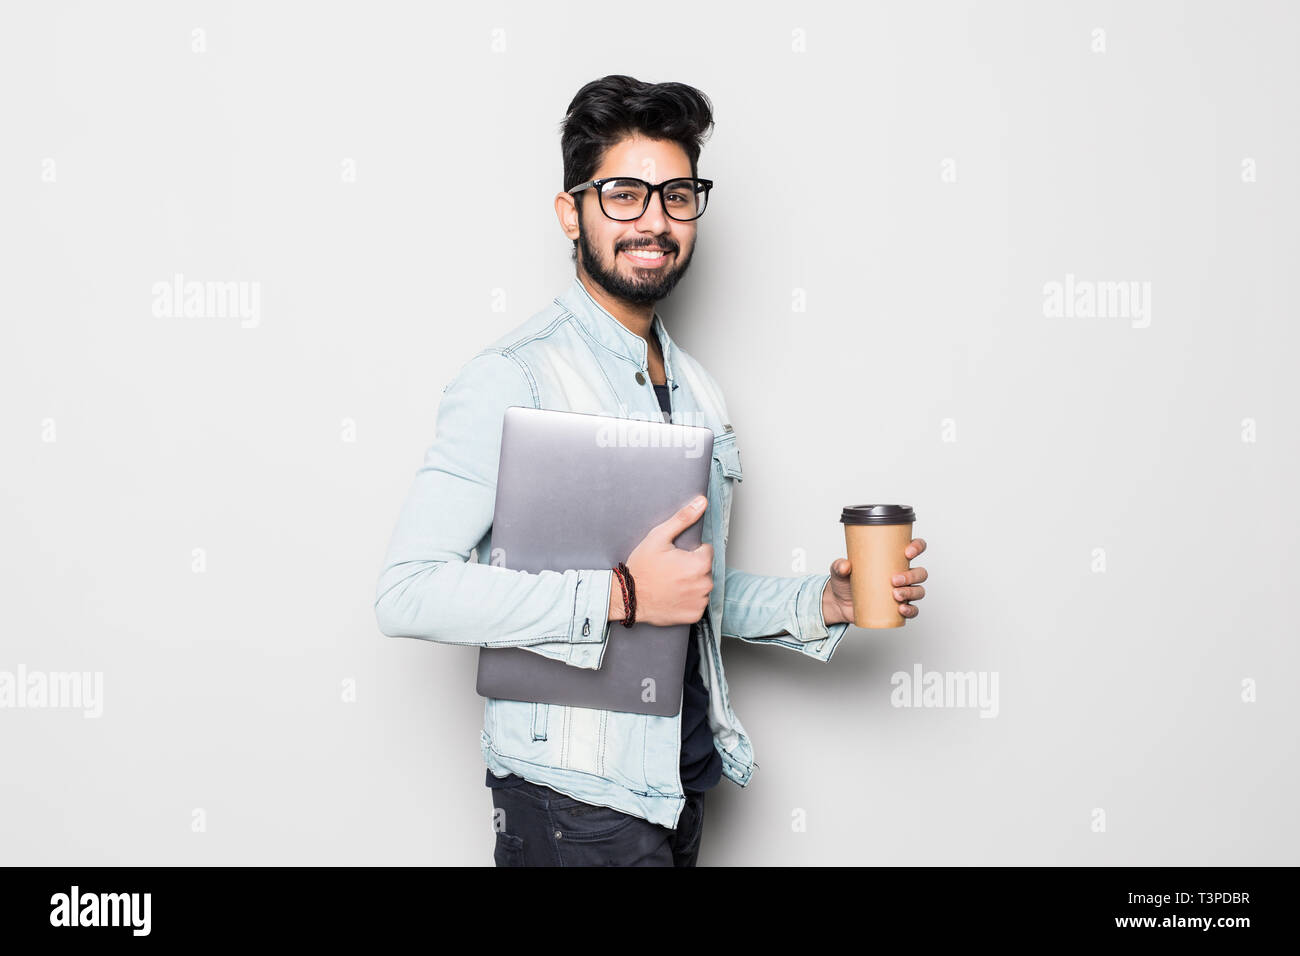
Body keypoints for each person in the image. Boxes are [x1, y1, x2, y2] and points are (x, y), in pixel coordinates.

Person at [374, 74, 929, 866]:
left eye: (676, 195)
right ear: (573, 212)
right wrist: (620, 595)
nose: (656, 221)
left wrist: (826, 601)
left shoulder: (697, 387)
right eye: (625, 194)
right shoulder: (513, 378)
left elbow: (690, 592)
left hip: (680, 787)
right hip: (571, 805)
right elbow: (409, 590)